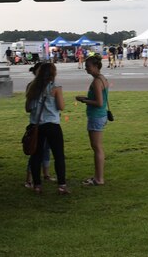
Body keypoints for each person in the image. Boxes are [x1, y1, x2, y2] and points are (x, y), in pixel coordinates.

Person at [25, 63, 68, 194]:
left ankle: (37, 185)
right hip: (52, 124)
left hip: (36, 125)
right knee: (58, 155)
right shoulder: (55, 88)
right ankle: (61, 185)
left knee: (36, 156)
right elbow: (61, 106)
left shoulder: (31, 87)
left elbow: (27, 108)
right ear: (53, 74)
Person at [76, 55, 109, 186]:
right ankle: (97, 176)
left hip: (96, 116)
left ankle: (99, 178)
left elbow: (99, 102)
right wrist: (86, 98)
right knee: (97, 147)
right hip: (100, 115)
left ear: (95, 66)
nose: (86, 69)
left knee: (97, 148)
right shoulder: (102, 78)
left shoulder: (96, 81)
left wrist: (84, 100)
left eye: (88, 67)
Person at [24, 64, 53, 188]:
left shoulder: (50, 86)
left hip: (45, 122)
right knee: (35, 151)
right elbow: (28, 108)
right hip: (38, 123)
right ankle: (29, 178)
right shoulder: (32, 87)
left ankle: (46, 174)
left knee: (46, 149)